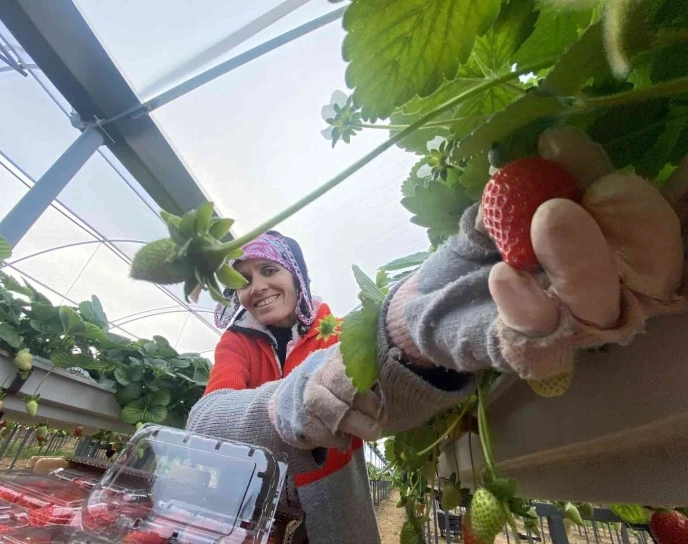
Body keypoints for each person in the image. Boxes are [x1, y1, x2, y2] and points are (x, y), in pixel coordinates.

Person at [186, 127, 687, 544]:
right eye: (242, 280)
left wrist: (411, 341)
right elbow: (205, 421)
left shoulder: (334, 331)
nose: (255, 289)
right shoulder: (237, 343)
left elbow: (379, 401)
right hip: (247, 508)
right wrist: (290, 403)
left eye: (268, 271)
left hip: (333, 504)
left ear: (296, 275)